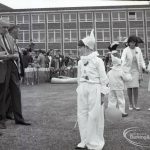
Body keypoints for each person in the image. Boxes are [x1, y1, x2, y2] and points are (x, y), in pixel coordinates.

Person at [76, 29, 109, 150]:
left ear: (87, 47)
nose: (79, 49)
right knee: (82, 114)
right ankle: (84, 140)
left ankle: (93, 142)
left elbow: (104, 79)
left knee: (94, 115)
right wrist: (80, 88)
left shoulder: (98, 60)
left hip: (95, 88)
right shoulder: (80, 62)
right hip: (83, 89)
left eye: (80, 47)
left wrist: (102, 94)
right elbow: (79, 77)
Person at [0, 19, 31, 129]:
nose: (6, 30)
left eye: (7, 28)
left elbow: (14, 50)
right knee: (2, 94)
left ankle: (19, 118)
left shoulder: (9, 37)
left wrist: (16, 54)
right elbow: (6, 54)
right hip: (3, 66)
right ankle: (1, 121)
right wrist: (6, 56)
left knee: (16, 93)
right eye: (4, 27)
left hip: (12, 67)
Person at [121, 35, 146, 111]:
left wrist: (144, 67)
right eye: (131, 42)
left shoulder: (138, 49)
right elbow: (122, 59)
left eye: (134, 42)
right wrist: (121, 66)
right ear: (129, 43)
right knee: (129, 88)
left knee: (135, 87)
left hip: (136, 71)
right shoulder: (126, 50)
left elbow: (141, 59)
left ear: (136, 43)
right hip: (128, 71)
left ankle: (135, 104)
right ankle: (130, 104)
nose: (133, 44)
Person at [107, 51, 132, 117]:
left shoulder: (110, 72)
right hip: (119, 88)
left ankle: (111, 112)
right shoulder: (120, 71)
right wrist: (129, 75)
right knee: (121, 100)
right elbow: (126, 78)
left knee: (112, 99)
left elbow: (107, 79)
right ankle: (121, 112)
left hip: (111, 88)